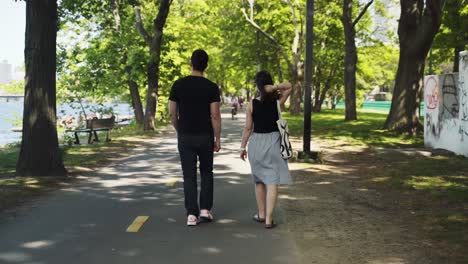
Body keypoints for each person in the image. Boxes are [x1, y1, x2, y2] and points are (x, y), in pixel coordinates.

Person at [169, 49, 221, 226]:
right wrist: (217, 138)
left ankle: (191, 214)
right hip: (205, 136)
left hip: (185, 136)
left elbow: (172, 114)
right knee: (207, 172)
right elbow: (215, 115)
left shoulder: (178, 85)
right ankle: (205, 209)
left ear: (190, 63)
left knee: (189, 176)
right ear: (206, 65)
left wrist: (179, 130)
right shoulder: (211, 87)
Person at [239, 70, 293, 229]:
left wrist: (242, 147)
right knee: (272, 181)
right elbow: (289, 86)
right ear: (269, 84)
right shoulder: (277, 102)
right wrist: (273, 87)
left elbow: (248, 129)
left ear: (257, 85)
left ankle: (261, 214)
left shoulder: (251, 104)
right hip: (274, 143)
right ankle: (268, 219)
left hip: (256, 144)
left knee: (259, 181)